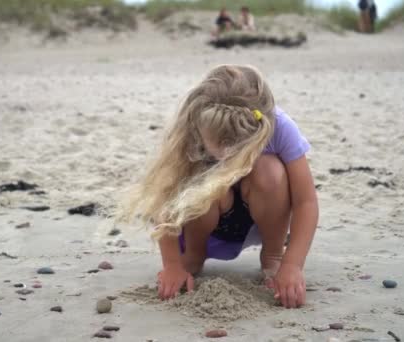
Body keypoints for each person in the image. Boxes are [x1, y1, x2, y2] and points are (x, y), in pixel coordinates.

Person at [118, 65, 319, 309]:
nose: (227, 155)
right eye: (220, 146)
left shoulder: (280, 127)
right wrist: (172, 265)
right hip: (204, 218)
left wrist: (292, 264)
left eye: (237, 147)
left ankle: (273, 255)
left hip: (261, 214)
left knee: (270, 170)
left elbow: (305, 201)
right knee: (205, 176)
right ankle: (193, 256)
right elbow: (165, 197)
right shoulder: (192, 125)